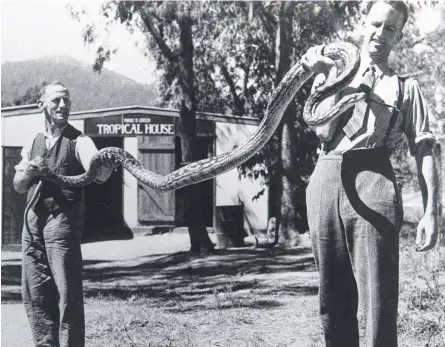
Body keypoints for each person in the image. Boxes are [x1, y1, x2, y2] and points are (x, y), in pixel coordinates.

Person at [301, 2, 438, 347]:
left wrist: (431, 211)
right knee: (332, 298)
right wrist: (327, 77)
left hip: (374, 178)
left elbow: (424, 150)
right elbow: (322, 130)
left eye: (390, 28)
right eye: (376, 24)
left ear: (399, 34)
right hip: (326, 176)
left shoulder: (406, 88)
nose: (381, 33)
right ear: (364, 23)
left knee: (379, 299)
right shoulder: (330, 71)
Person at [13, 81, 118, 347]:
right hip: (32, 222)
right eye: (57, 100)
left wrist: (106, 164)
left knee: (67, 293)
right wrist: (28, 172)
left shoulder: (80, 141)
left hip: (62, 223)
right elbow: (18, 185)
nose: (63, 105)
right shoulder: (32, 141)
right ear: (42, 106)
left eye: (67, 100)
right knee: (35, 291)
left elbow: (100, 175)